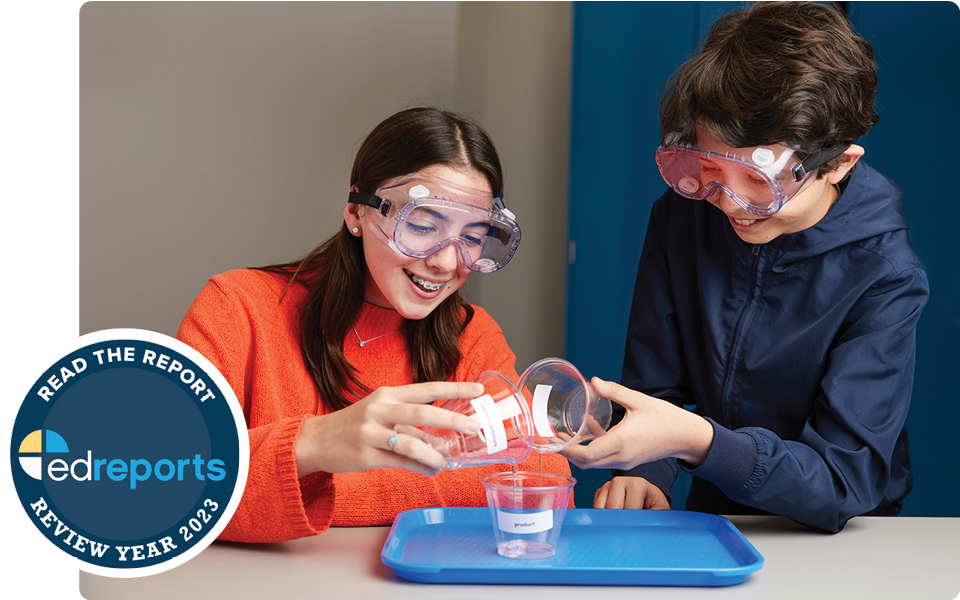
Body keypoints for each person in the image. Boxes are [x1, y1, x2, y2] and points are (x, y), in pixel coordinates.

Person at [561, 1, 928, 533]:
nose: (729, 202)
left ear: (839, 163)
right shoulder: (681, 218)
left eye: (760, 180)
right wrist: (650, 468)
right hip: (720, 509)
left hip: (841, 531)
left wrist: (693, 440)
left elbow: (843, 480)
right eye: (710, 167)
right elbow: (655, 386)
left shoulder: (884, 274)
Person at [176, 107, 571, 543]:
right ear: (356, 213)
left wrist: (308, 482)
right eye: (422, 224)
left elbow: (541, 476)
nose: (445, 261)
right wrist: (316, 442)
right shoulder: (238, 308)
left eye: (473, 238)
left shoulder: (471, 334)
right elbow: (168, 479)